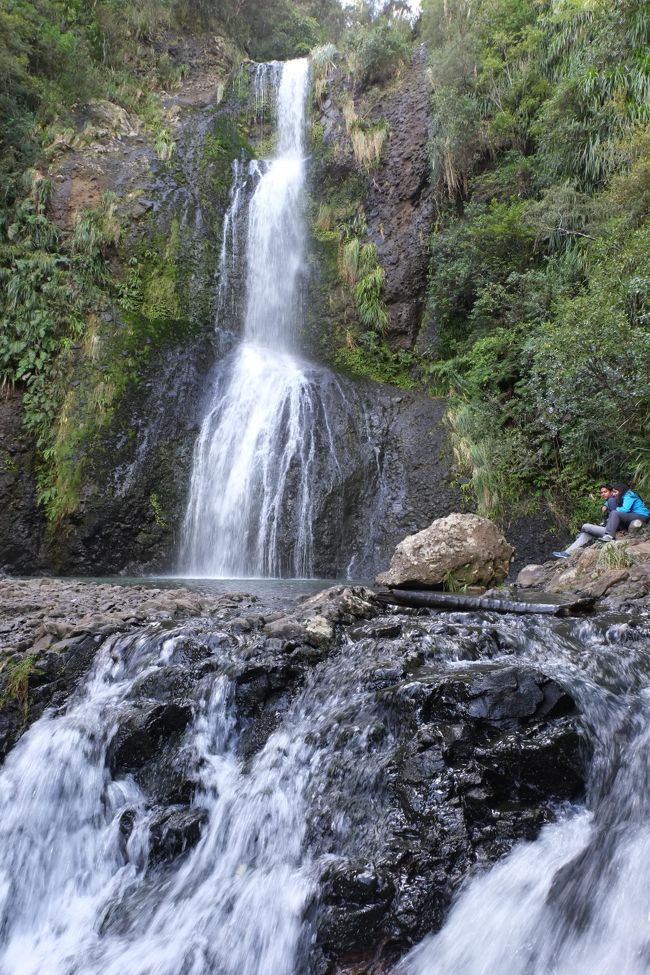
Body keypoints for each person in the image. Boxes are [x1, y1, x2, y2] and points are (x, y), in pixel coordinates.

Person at [553, 484, 618, 559]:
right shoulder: (610, 501)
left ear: (611, 492)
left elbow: (615, 515)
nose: (603, 494)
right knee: (586, 534)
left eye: (605, 492)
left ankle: (579, 535)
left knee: (585, 526)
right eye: (601, 492)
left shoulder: (611, 500)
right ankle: (567, 553)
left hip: (610, 532)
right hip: (608, 530)